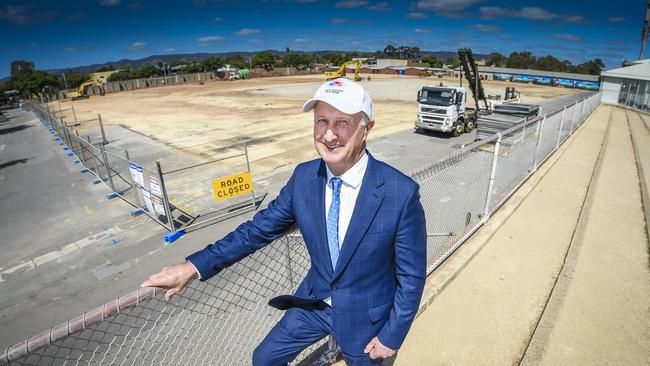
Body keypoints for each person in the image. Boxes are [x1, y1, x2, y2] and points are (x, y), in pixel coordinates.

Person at [141, 78, 427, 365]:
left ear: (367, 128)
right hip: (316, 303)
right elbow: (255, 232)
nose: (329, 136)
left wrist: (392, 335)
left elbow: (411, 276)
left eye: (342, 122)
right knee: (264, 359)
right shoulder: (304, 178)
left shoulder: (398, 192)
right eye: (321, 121)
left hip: (367, 316)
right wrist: (193, 266)